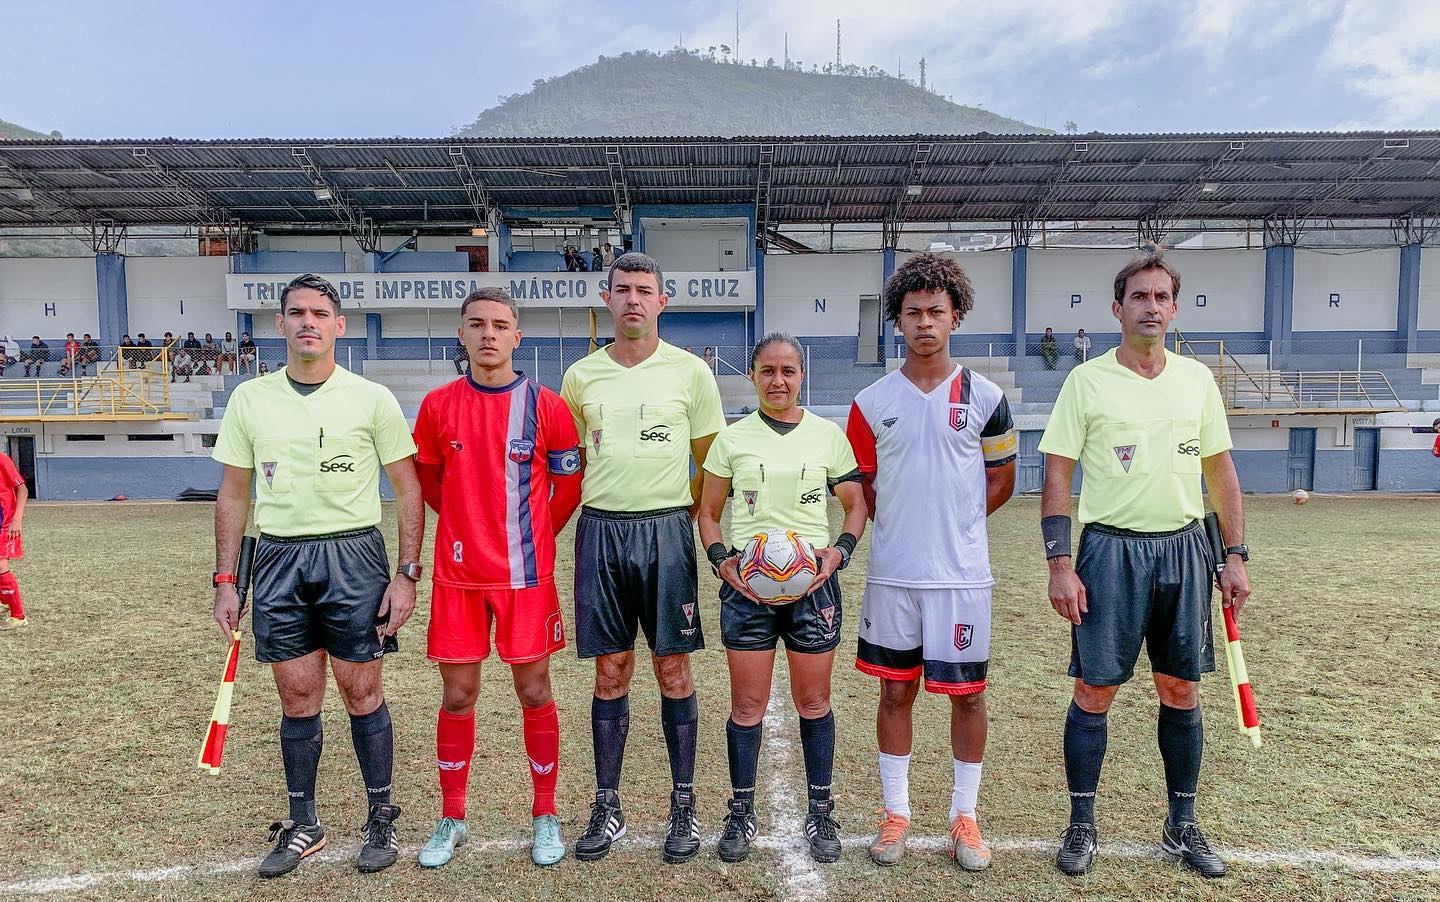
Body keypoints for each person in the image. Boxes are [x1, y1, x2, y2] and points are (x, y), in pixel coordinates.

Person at [1039, 246, 1250, 879]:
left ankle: (1181, 824)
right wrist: (1060, 562)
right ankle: (1081, 823)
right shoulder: (1087, 381)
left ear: (1174, 308)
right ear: (1117, 307)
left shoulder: (1196, 381)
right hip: (1109, 550)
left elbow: (1221, 472)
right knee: (1095, 688)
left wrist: (1234, 555)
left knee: (1181, 687)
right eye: (1140, 296)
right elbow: (1058, 472)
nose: (1151, 306)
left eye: (1161, 297)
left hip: (1186, 548)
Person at [211, 273, 424, 879]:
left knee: (363, 691)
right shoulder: (250, 400)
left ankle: (381, 814)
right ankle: (304, 821)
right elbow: (233, 492)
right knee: (297, 694)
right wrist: (226, 578)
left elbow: (409, 489)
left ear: (340, 325)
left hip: (353, 557)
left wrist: (407, 574)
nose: (309, 321)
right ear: (279, 324)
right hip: (279, 559)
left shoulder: (371, 398)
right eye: (297, 312)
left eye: (320, 312)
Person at [846, 252, 1017, 871]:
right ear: (897, 320)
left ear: (956, 317)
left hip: (962, 579)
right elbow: (861, 488)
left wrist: (957, 528)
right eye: (913, 312)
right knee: (896, 693)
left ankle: (964, 817)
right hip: (893, 576)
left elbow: (1001, 480)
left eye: (935, 312)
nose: (924, 322)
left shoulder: (987, 397)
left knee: (968, 696)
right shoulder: (870, 402)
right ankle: (896, 814)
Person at [561, 252, 726, 864]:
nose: (634, 299)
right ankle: (608, 803)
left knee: (673, 669)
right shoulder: (581, 378)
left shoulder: (691, 374)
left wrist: (682, 519)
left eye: (645, 291)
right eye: (623, 289)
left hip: (666, 533)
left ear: (662, 301)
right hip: (601, 532)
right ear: (608, 297)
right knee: (611, 671)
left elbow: (713, 462)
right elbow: (571, 460)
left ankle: (682, 805)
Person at [412, 287, 584, 869]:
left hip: (525, 577)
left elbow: (568, 489)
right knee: (458, 694)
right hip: (458, 577)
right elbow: (431, 484)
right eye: (477, 324)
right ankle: (452, 817)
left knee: (534, 691)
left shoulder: (548, 406)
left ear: (517, 336)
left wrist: (533, 539)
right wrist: (466, 527)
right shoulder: (437, 406)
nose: (488, 334)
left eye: (500, 325)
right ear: (461, 334)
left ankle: (545, 813)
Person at [698, 333, 867, 864]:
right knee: (747, 705)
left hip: (812, 589)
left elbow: (855, 506)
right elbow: (707, 513)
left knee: (813, 702)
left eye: (788, 371)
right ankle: (742, 811)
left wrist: (837, 554)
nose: (778, 381)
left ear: (802, 376)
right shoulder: (732, 439)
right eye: (768, 371)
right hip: (747, 588)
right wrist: (722, 560)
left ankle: (821, 812)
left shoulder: (827, 436)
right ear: (753, 376)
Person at [0, 449, 29, 631]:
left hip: (4, 523)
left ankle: (18, 616)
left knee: (1, 565)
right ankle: (3, 601)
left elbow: (22, 489)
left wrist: (16, 520)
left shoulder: (2, 459)